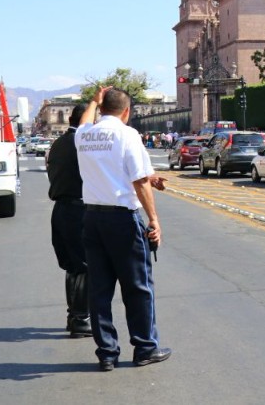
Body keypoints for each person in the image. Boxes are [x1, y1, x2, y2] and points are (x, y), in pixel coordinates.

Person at [76, 87, 171, 371]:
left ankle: (106, 352)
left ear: (101, 109)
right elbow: (140, 180)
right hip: (122, 219)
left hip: (92, 218)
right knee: (138, 287)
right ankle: (144, 347)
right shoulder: (127, 135)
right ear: (126, 112)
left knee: (100, 289)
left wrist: (94, 101)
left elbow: (83, 121)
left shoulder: (84, 135)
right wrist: (154, 219)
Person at [47, 104, 92, 339]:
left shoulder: (59, 143)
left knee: (73, 267)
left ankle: (74, 315)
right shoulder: (81, 144)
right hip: (77, 209)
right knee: (84, 266)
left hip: (61, 210)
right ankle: (81, 319)